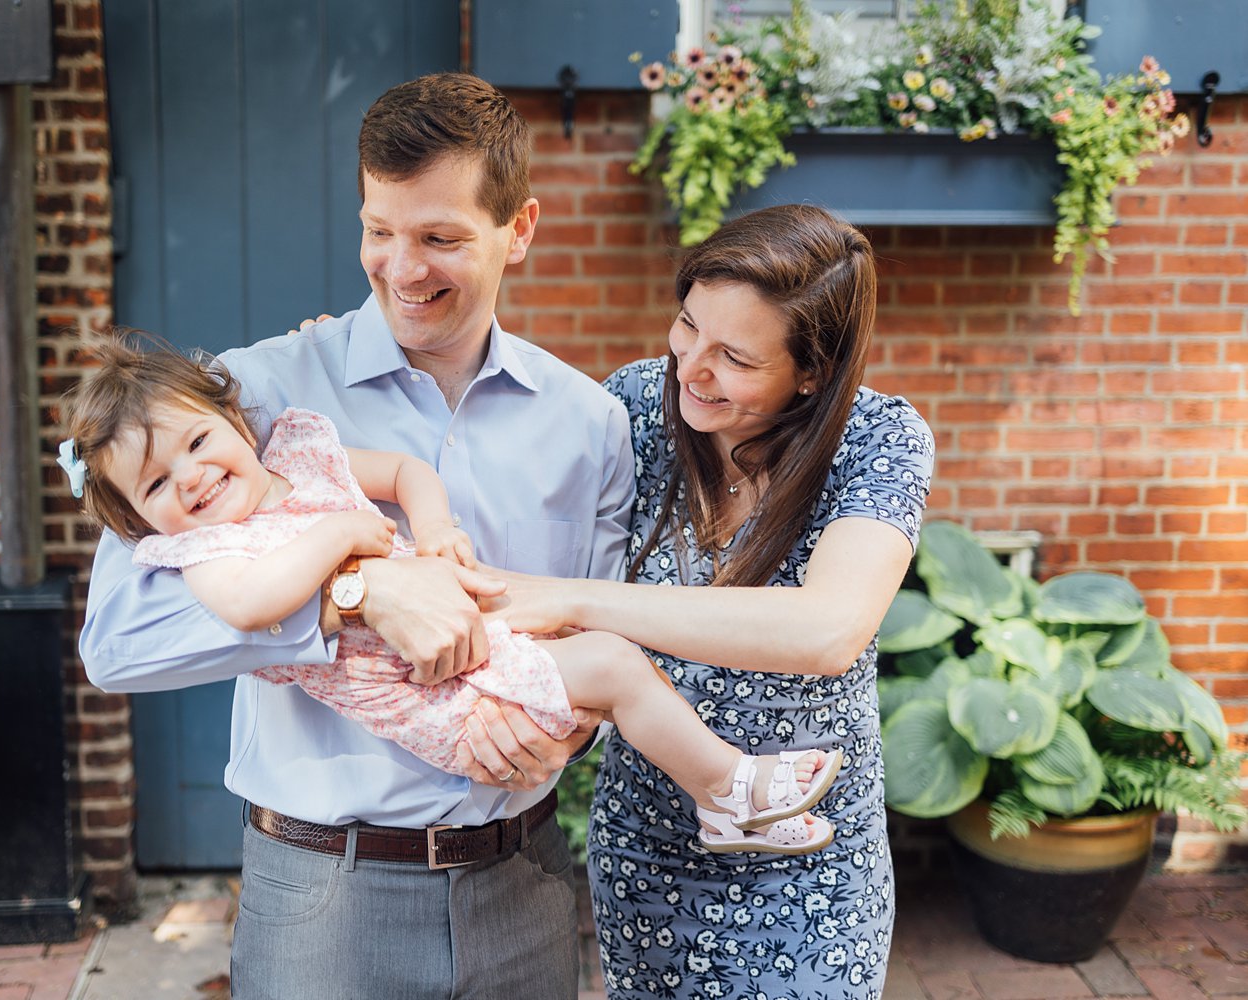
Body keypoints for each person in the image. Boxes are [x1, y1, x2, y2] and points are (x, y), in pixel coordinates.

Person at [80, 72, 620, 1000]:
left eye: (441, 238)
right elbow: (117, 644)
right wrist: (348, 595)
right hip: (326, 895)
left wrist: (559, 740)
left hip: (526, 884)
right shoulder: (244, 399)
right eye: (380, 230)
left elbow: (606, 624)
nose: (402, 269)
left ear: (519, 229)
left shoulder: (589, 420)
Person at [62, 338, 843, 855]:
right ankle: (725, 789)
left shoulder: (301, 451)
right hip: (420, 703)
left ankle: (724, 792)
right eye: (157, 482)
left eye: (196, 443)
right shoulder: (206, 548)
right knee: (611, 662)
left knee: (610, 665)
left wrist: (433, 536)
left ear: (235, 417)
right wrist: (352, 560)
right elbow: (247, 606)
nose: (190, 478)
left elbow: (405, 474)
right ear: (139, 517)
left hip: (504, 804)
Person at [469, 204, 936, 998]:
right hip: (651, 848)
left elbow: (827, 630)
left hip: (809, 862)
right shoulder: (637, 407)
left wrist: (577, 600)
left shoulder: (877, 439)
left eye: (735, 357)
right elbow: (489, 452)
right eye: (687, 325)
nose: (690, 368)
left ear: (812, 372)